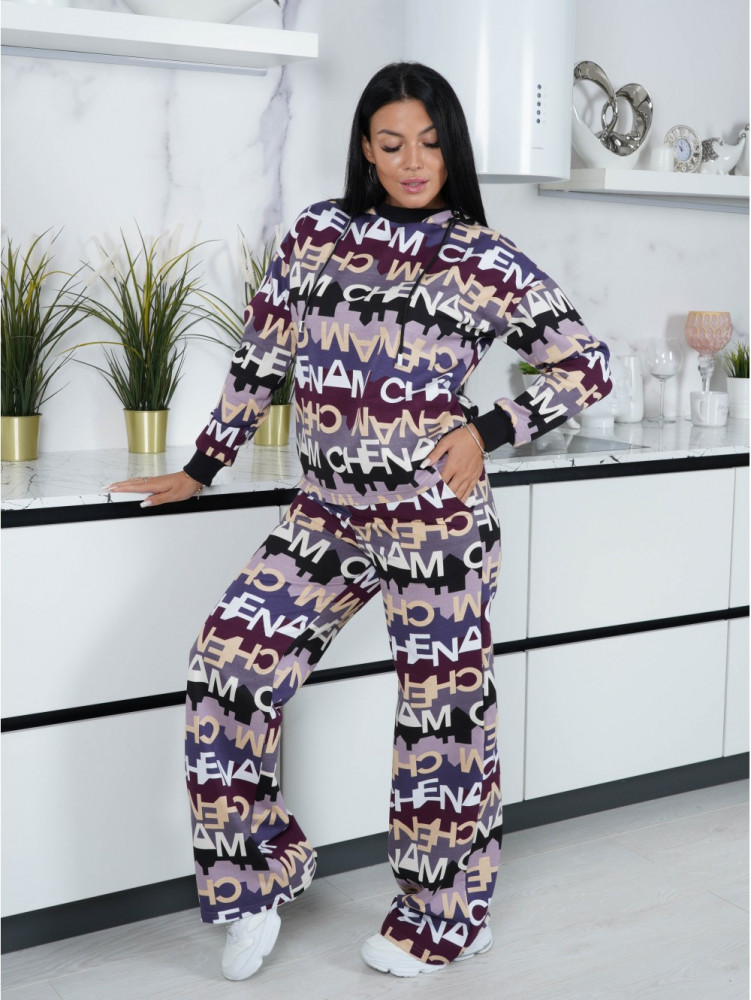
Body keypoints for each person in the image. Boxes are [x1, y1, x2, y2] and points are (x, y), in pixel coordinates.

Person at [107, 62, 612, 980]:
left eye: (429, 143)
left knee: (441, 719)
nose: (412, 161)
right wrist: (203, 465)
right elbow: (261, 356)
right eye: (391, 143)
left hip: (435, 520)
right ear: (366, 150)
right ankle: (259, 875)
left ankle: (445, 913)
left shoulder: (484, 256)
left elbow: (585, 363)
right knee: (225, 667)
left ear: (451, 150)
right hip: (327, 512)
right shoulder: (317, 234)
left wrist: (486, 430)